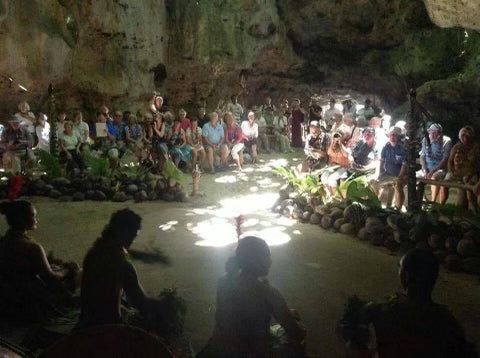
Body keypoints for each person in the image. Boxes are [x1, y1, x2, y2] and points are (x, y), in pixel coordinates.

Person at [341, 248, 477, 358]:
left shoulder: (383, 308)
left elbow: (350, 331)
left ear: (405, 276)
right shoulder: (446, 319)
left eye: (400, 267)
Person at [199, 236, 306, 357]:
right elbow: (295, 332)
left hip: (219, 349)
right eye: (266, 256)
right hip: (250, 352)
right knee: (297, 333)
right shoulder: (268, 292)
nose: (270, 261)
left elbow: (237, 318)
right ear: (252, 260)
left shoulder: (224, 281)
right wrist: (299, 328)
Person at [78, 209, 162, 328]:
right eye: (132, 236)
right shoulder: (122, 264)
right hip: (109, 329)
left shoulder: (94, 252)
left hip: (85, 323)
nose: (133, 241)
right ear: (123, 233)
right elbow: (140, 302)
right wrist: (162, 305)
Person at [0, 200, 78, 322]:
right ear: (22, 219)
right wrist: (67, 270)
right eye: (33, 216)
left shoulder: (6, 240)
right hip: (29, 301)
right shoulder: (31, 247)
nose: (36, 219)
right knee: (78, 273)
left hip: (9, 298)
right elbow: (50, 277)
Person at [442, 126, 480, 211]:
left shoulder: (476, 148)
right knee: (444, 184)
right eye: (462, 136)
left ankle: (475, 211)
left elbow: (478, 165)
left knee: (469, 190)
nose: (464, 138)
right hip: (455, 172)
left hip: (470, 173)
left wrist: (472, 174)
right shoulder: (456, 147)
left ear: (471, 136)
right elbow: (450, 161)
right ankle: (441, 204)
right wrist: (451, 171)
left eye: (466, 136)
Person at [418, 123, 452, 202]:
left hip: (440, 169)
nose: (432, 135)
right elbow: (422, 156)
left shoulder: (446, 141)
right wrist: (424, 169)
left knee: (434, 178)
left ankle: (432, 202)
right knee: (416, 177)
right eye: (430, 132)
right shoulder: (426, 139)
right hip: (427, 168)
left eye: (434, 133)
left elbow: (445, 159)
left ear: (439, 134)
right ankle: (422, 201)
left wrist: (433, 171)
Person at [375, 127, 407, 209]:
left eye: (394, 135)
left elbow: (405, 165)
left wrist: (400, 177)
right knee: (375, 183)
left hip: (401, 175)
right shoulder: (386, 147)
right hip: (388, 174)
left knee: (398, 186)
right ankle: (376, 205)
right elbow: (382, 162)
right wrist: (380, 173)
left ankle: (398, 208)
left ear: (399, 137)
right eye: (390, 135)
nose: (392, 137)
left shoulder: (403, 148)